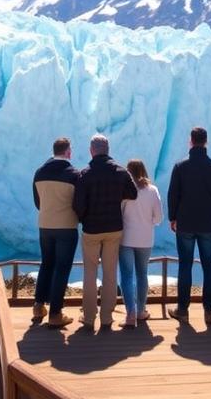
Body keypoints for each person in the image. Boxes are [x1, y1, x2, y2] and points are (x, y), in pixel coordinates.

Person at [72, 134, 138, 330]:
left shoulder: (85, 174)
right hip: (114, 229)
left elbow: (78, 204)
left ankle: (89, 317)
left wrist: (84, 218)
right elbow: (133, 193)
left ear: (92, 151)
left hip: (92, 230)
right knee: (110, 273)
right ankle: (107, 317)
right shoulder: (120, 171)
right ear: (108, 150)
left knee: (90, 273)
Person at [167, 126, 211, 324]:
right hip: (208, 223)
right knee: (209, 266)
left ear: (190, 141)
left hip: (185, 223)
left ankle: (182, 309)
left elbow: (173, 194)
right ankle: (209, 311)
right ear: (206, 142)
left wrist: (172, 217)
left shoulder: (180, 167)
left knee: (185, 265)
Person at [31, 137, 80, 328]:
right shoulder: (73, 174)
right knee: (62, 268)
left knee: (47, 264)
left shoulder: (39, 172)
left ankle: (38, 305)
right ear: (68, 152)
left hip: (45, 225)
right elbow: (79, 202)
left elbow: (37, 202)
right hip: (66, 227)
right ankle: (55, 313)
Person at [119, 159, 162, 328]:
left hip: (126, 239)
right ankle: (141, 310)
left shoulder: (124, 191)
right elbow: (158, 218)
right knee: (142, 274)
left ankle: (130, 312)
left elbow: (118, 213)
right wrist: (147, 222)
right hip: (145, 239)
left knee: (127, 276)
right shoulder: (152, 191)